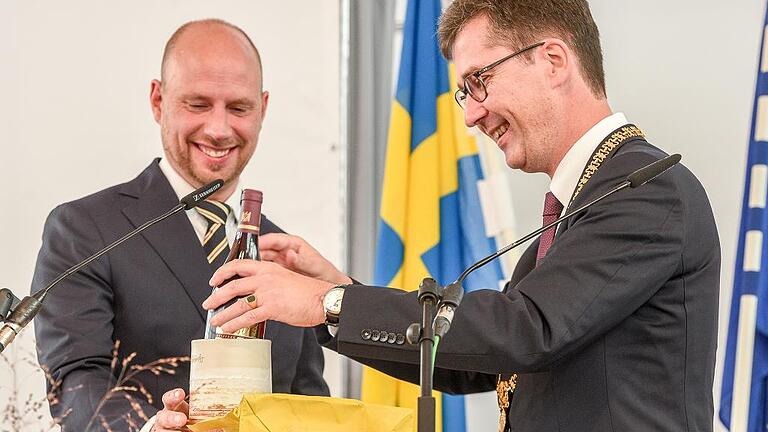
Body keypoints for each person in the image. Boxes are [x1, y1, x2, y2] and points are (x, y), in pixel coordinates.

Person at [163, 1, 721, 431]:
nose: (473, 114)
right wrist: (338, 292)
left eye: (479, 81)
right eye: (462, 94)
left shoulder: (648, 192)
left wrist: (326, 303)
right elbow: (473, 364)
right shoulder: (577, 213)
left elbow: (527, 330)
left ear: (552, 60)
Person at [32, 19, 329, 432]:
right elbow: (75, 387)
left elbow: (307, 404)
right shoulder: (86, 230)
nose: (219, 129)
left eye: (239, 107)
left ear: (263, 108)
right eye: (198, 104)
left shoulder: (285, 257)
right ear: (158, 100)